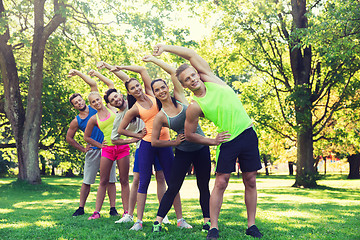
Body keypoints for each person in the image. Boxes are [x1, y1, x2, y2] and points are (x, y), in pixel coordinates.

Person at [153, 44, 263, 239]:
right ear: (184, 85)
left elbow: (190, 54)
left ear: (197, 73)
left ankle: (251, 225)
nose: (192, 79)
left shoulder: (212, 79)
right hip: (228, 140)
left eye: (192, 75)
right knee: (221, 182)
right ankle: (213, 227)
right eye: (186, 80)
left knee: (251, 180)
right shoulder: (195, 106)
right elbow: (190, 134)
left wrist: (165, 48)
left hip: (248, 133)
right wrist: (212, 141)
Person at [113, 63, 190, 231]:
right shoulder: (134, 108)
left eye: (137, 85)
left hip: (165, 144)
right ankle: (138, 221)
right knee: (143, 182)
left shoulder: (153, 95)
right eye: (132, 88)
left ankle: (180, 219)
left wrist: (118, 67)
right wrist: (137, 136)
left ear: (141, 86)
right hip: (148, 144)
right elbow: (120, 130)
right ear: (129, 92)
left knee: (172, 182)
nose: (137, 89)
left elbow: (142, 70)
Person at [142, 55, 211, 233]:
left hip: (201, 147)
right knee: (173, 186)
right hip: (183, 152)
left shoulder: (180, 97)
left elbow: (174, 72)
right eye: (156, 90)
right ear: (155, 94)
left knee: (203, 185)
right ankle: (157, 222)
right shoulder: (160, 117)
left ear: (167, 87)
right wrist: (173, 142)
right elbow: (154, 141)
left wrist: (153, 60)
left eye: (163, 87)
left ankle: (207, 220)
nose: (161, 91)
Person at [96, 61, 171, 224]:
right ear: (111, 104)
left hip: (159, 141)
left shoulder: (137, 99)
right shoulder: (122, 115)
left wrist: (112, 67)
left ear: (121, 94)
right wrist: (134, 138)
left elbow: (127, 79)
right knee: (137, 180)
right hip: (142, 146)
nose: (116, 100)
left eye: (116, 96)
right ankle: (129, 214)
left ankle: (163, 214)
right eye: (112, 100)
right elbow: (115, 137)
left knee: (160, 177)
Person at [83, 70, 136, 220]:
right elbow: (86, 137)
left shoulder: (113, 108)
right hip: (107, 150)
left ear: (101, 99)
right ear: (91, 105)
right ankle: (96, 212)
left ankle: (127, 212)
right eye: (93, 102)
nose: (96, 103)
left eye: (97, 100)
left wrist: (99, 73)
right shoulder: (93, 119)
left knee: (124, 180)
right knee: (103, 181)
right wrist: (99, 145)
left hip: (122, 148)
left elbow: (111, 84)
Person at [66, 69, 118, 217]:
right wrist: (83, 149)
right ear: (74, 106)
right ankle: (81, 208)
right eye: (76, 103)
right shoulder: (77, 121)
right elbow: (69, 138)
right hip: (94, 151)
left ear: (84, 100)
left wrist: (77, 73)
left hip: (108, 147)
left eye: (80, 100)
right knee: (87, 181)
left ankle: (112, 208)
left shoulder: (95, 107)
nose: (79, 103)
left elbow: (93, 83)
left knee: (110, 180)